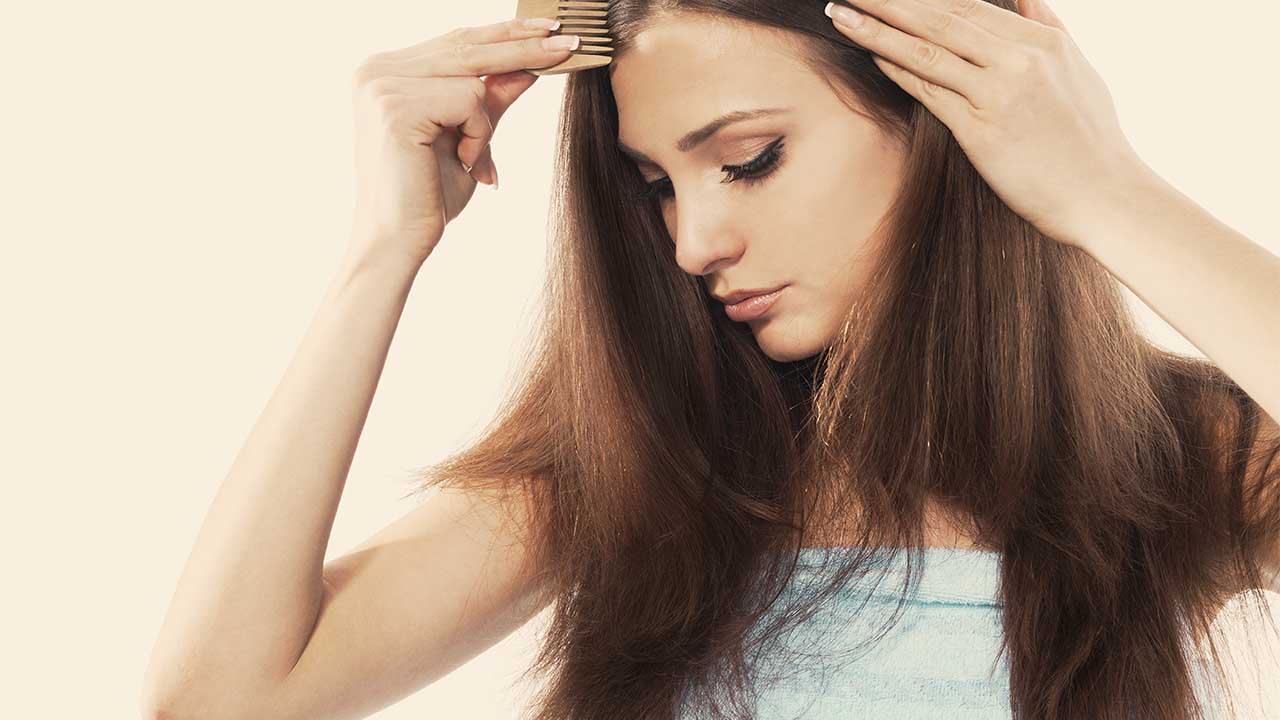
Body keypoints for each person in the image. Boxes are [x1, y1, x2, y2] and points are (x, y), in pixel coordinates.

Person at [141, 1, 1280, 719]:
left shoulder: (1180, 458)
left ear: (943, 116)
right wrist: (381, 249)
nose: (693, 244)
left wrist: (1104, 191)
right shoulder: (645, 464)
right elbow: (219, 706)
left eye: (745, 159)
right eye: (656, 188)